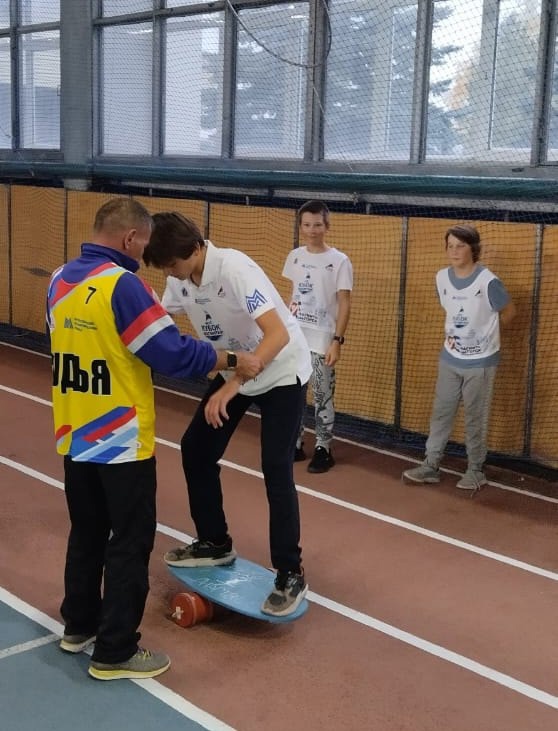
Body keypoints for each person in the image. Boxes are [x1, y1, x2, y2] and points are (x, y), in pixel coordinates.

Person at [46, 198, 260, 680]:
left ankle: (78, 626)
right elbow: (169, 353)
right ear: (129, 238)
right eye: (144, 244)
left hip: (73, 434)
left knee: (85, 533)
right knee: (129, 541)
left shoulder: (60, 280)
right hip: (120, 441)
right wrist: (229, 360)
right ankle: (116, 651)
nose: (146, 254)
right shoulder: (123, 286)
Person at [143, 212, 312, 617]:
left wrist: (232, 385)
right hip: (236, 368)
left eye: (172, 264)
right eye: (165, 267)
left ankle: (291, 572)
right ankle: (215, 542)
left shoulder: (234, 269)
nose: (171, 273)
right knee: (196, 449)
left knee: (275, 467)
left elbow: (278, 334)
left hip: (282, 369)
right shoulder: (180, 276)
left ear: (194, 248)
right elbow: (163, 318)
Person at [402, 224, 516, 490]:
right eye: (450, 246)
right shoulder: (441, 277)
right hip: (450, 359)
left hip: (481, 363)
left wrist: (488, 336)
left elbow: (509, 312)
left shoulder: (488, 281)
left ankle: (476, 470)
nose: (454, 251)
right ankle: (431, 465)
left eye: (460, 246)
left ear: (473, 249)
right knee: (441, 413)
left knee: (475, 418)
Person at [282, 200, 353, 473]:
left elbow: (345, 302)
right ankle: (296, 443)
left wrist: (337, 340)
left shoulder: (339, 261)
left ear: (327, 226)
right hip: (296, 339)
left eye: (318, 225)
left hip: (323, 340)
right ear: (301, 227)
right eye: (307, 225)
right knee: (293, 393)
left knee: (322, 394)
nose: (312, 230)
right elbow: (294, 294)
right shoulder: (295, 256)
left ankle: (323, 447)